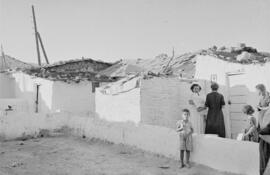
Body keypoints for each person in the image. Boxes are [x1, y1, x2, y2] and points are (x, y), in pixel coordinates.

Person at [255, 84, 270, 175]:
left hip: (266, 126)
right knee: (262, 151)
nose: (256, 92)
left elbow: (267, 109)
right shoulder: (261, 98)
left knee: (265, 151)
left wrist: (261, 108)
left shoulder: (268, 96)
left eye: (257, 90)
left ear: (260, 90)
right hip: (262, 123)